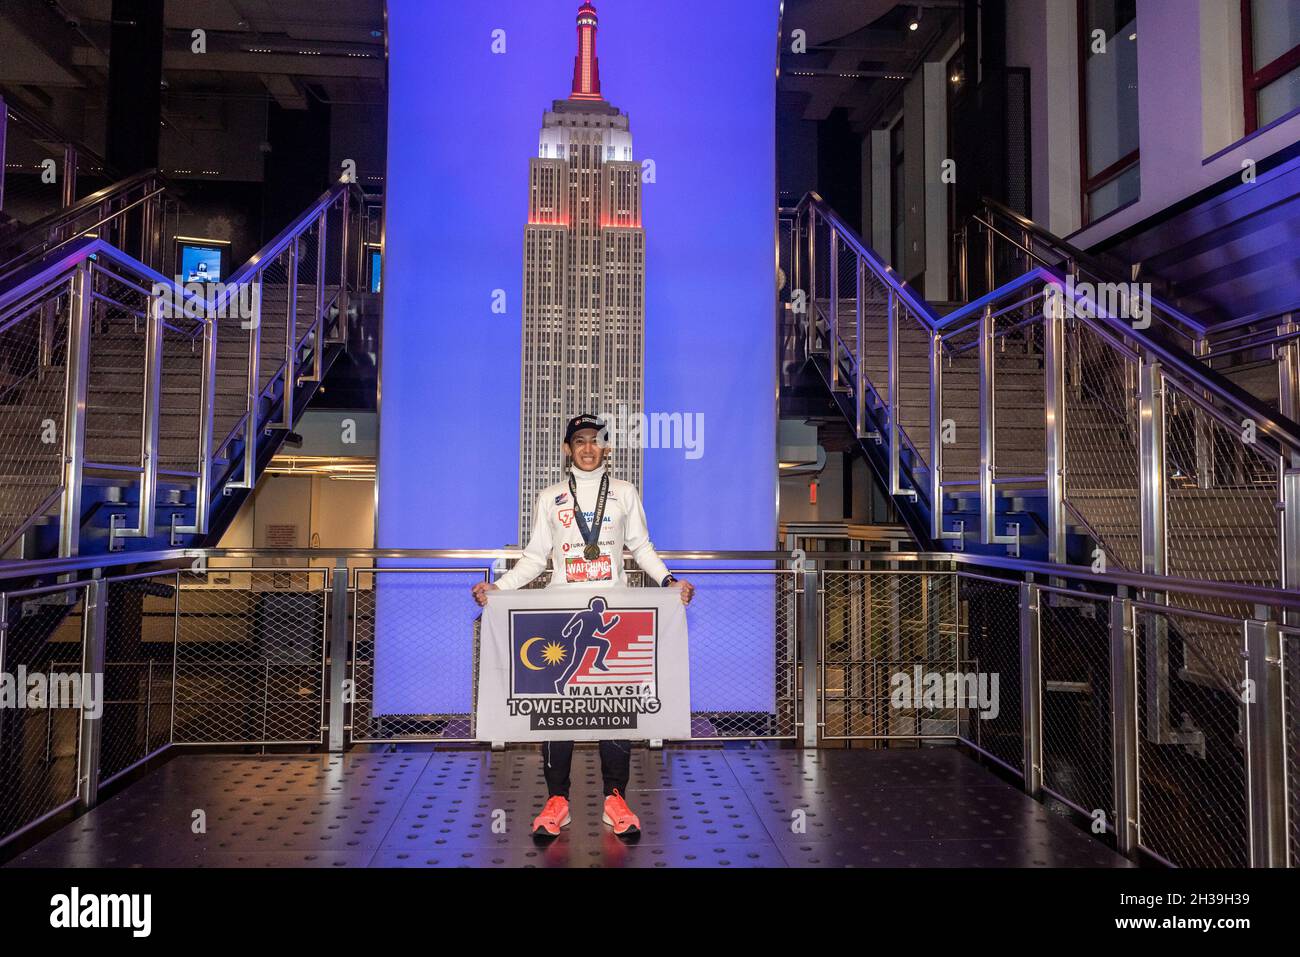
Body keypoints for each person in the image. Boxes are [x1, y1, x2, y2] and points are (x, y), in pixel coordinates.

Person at [471, 413, 694, 839]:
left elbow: (642, 547)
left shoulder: (625, 493)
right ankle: (557, 801)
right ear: (567, 449)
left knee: (615, 705)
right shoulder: (551, 496)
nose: (588, 448)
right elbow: (536, 557)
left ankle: (616, 799)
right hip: (559, 612)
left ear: (606, 448)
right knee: (556, 709)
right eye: (580, 441)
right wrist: (497, 588)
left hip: (615, 612)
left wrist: (669, 582)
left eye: (596, 441)